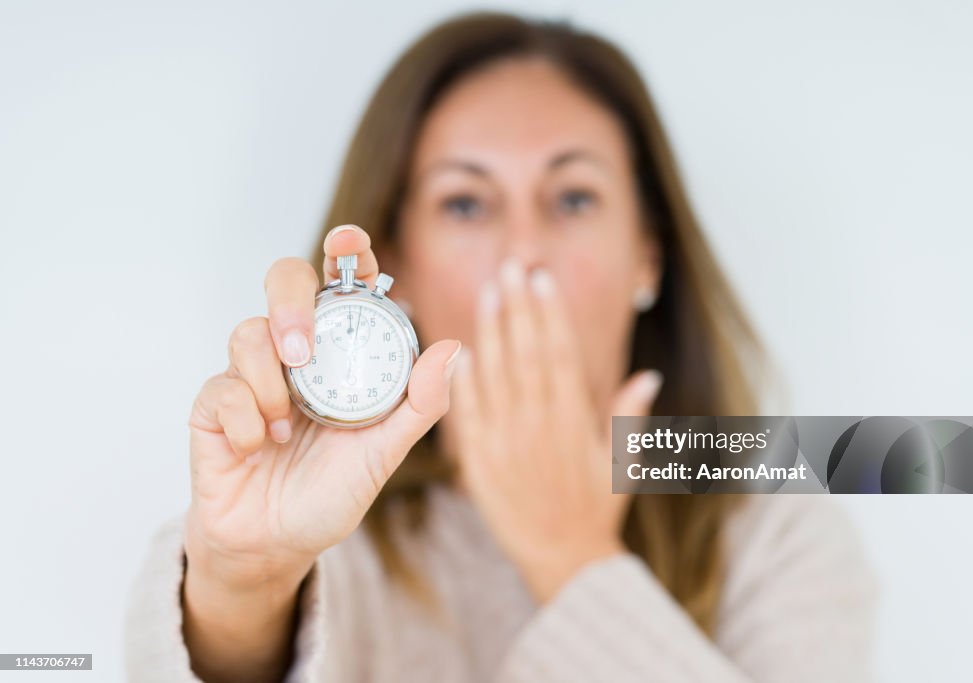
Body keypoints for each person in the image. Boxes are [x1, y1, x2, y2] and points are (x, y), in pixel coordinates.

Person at [125, 11, 878, 683]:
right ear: (400, 262)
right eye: (466, 203)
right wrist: (246, 580)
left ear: (648, 252)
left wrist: (570, 553)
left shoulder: (773, 522)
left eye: (574, 198)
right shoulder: (335, 525)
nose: (523, 253)